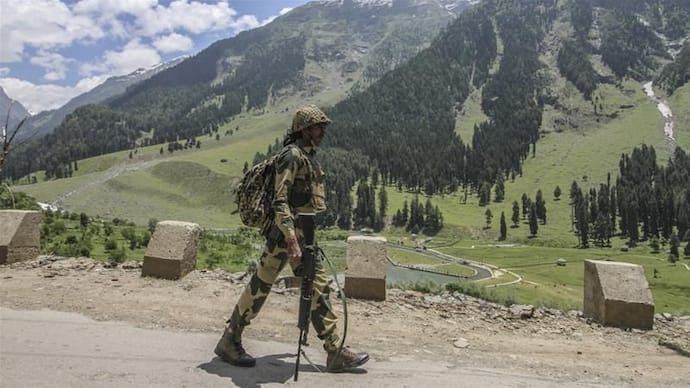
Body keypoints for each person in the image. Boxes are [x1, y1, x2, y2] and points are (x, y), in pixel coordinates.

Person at [215, 105, 369, 372]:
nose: (323, 131)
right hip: (285, 236)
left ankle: (334, 350)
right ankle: (230, 339)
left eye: (323, 127)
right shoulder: (291, 156)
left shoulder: (308, 156)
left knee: (318, 286)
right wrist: (291, 239)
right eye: (318, 127)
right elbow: (280, 200)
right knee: (259, 288)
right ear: (304, 129)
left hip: (302, 233)